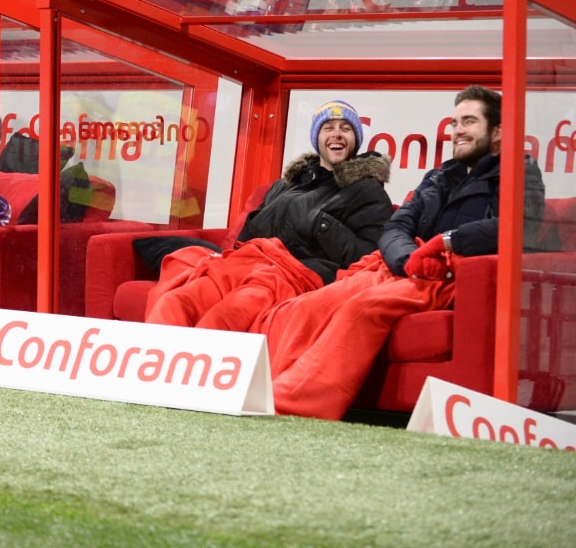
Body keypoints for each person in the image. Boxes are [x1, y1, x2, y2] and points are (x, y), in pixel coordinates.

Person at [257, 86, 545, 420]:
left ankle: (292, 404)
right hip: (408, 267)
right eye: (454, 123)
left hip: (451, 274)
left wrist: (447, 242)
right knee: (309, 305)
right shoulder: (439, 176)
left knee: (362, 309)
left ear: (497, 131)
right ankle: (263, 389)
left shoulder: (519, 172)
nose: (458, 131)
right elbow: (396, 226)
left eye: (469, 121)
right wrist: (408, 259)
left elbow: (518, 227)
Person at [143, 101, 393, 332]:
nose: (337, 134)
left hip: (298, 272)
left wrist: (321, 224)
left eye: (346, 129)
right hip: (249, 261)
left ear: (355, 140)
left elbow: (369, 259)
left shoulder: (367, 190)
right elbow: (246, 237)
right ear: (317, 138)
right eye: (328, 128)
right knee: (176, 301)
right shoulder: (285, 185)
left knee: (225, 316)